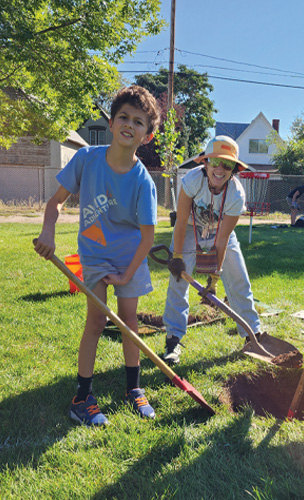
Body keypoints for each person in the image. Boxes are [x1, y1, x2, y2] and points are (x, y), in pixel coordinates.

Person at [34, 85, 161, 426]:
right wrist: (48, 232)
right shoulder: (86, 159)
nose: (129, 124)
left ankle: (134, 388)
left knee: (129, 322)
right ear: (111, 122)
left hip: (130, 256)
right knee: (97, 321)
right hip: (95, 254)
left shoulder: (143, 181)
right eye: (124, 117)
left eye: (138, 122)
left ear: (147, 136)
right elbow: (55, 202)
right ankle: (82, 397)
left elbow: (148, 238)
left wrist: (126, 275)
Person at [162, 135, 263, 365]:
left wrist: (215, 276)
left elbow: (223, 238)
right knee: (178, 281)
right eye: (215, 161)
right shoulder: (192, 180)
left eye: (227, 164)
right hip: (189, 228)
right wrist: (177, 256)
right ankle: (173, 339)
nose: (220, 169)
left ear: (234, 169)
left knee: (239, 279)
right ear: (205, 163)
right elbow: (180, 221)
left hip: (219, 231)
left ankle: (252, 335)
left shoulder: (236, 195)